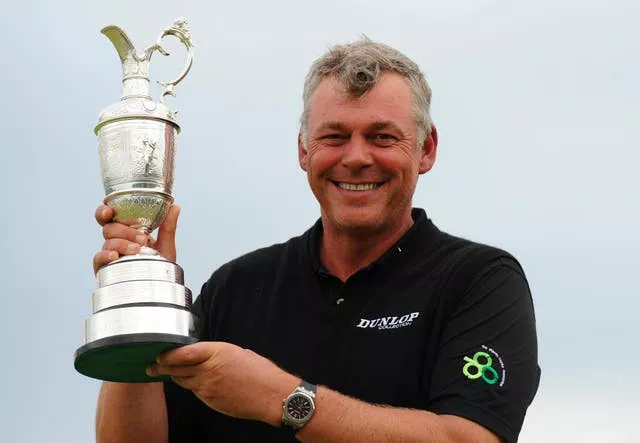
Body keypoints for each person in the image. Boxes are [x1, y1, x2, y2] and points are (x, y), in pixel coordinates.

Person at [93, 38, 540, 443]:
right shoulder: (236, 288)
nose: (358, 157)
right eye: (335, 136)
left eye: (383, 136)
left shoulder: (479, 282)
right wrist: (140, 310)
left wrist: (282, 399)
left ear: (426, 149)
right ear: (304, 150)